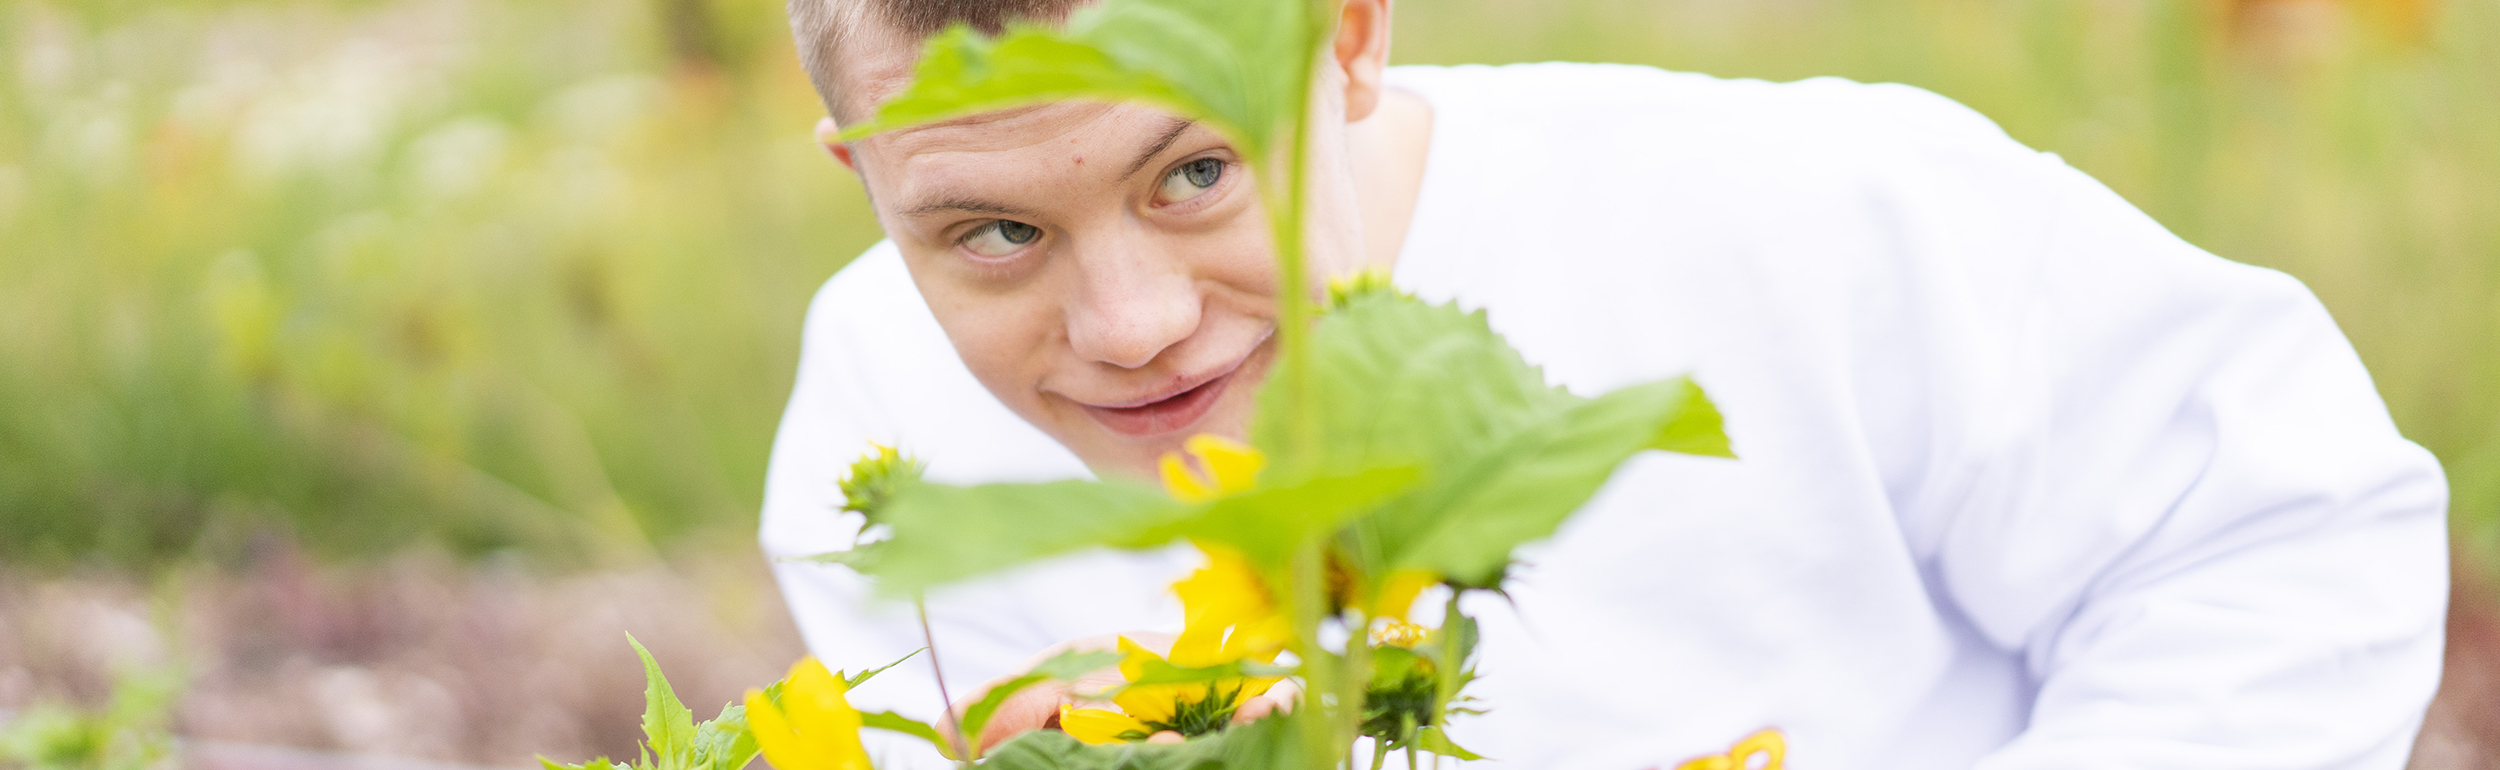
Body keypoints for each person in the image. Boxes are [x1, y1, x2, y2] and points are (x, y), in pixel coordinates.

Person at [757, 0, 2452, 767]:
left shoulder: (1797, 213)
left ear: (1347, 39)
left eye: (1194, 174)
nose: (1126, 324)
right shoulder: (873, 397)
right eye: (990, 231)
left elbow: (2273, 536)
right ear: (855, 169)